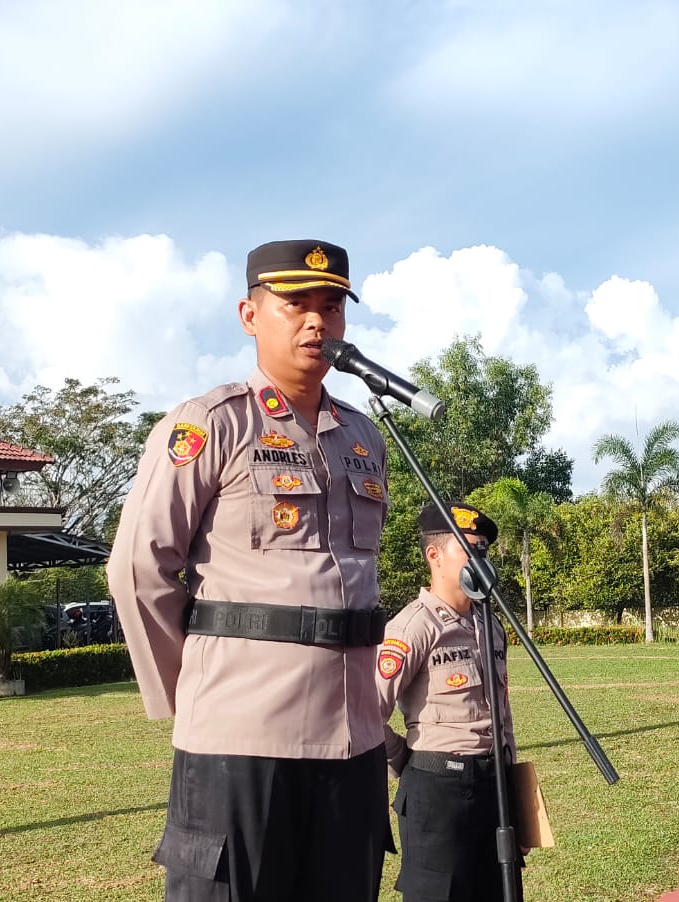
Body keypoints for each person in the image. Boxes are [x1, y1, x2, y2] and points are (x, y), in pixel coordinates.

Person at [108, 239, 394, 901]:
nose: (317, 322)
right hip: (241, 737)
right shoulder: (211, 425)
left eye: (332, 306)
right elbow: (139, 568)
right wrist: (198, 694)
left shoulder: (364, 438)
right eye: (296, 304)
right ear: (249, 314)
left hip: (352, 742)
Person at [377, 501, 523, 902]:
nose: (480, 558)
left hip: (493, 787)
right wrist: (405, 760)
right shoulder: (412, 627)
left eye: (483, 550)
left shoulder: (490, 623)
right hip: (437, 791)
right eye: (469, 548)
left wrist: (513, 792)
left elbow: (503, 715)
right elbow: (366, 712)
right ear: (435, 556)